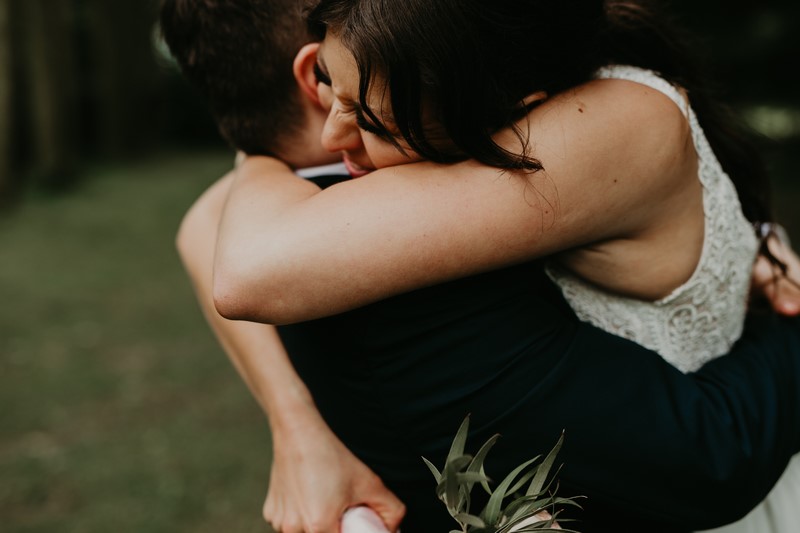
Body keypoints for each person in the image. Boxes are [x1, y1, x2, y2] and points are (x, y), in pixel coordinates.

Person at [205, 0, 800, 531]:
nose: (333, 135)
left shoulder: (596, 133)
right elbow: (204, 224)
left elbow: (251, 270)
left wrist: (256, 158)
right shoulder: (519, 92)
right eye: (330, 85)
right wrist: (299, 426)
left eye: (369, 119)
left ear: (514, 111)